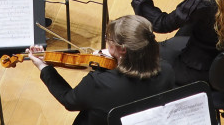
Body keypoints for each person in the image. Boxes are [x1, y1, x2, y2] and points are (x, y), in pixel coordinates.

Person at [26, 14, 176, 125]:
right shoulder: (167, 70)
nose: (106, 40)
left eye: (108, 38)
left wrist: (43, 67)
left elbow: (69, 101)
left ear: (122, 50)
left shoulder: (98, 82)